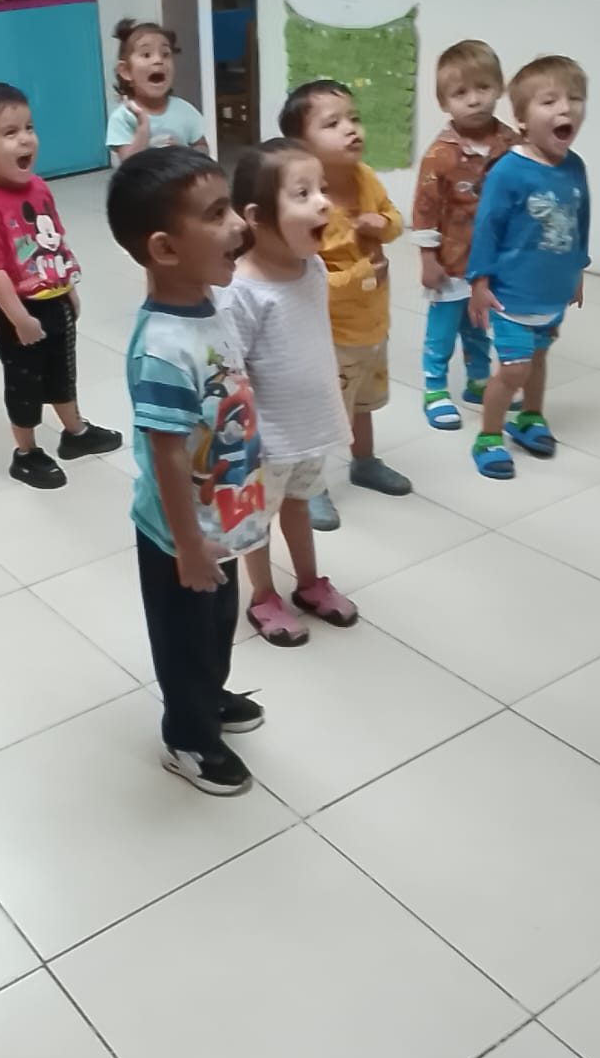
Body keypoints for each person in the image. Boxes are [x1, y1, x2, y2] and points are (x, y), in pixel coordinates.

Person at [107, 146, 268, 795]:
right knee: (184, 638)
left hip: (217, 520)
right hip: (179, 536)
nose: (238, 225)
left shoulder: (207, 306)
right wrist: (188, 545)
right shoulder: (162, 348)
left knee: (219, 622)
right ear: (165, 249)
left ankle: (210, 694)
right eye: (217, 214)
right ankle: (188, 738)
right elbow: (167, 454)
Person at [217, 139, 356, 646]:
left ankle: (309, 581)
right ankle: (262, 596)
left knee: (299, 501)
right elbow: (231, 372)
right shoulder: (241, 291)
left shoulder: (312, 267)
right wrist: (243, 441)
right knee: (256, 519)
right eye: (303, 193)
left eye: (322, 189)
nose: (323, 202)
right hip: (265, 440)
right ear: (256, 217)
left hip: (309, 425)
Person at [0, 80, 121, 488]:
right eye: (10, 132)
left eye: (29, 128)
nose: (25, 139)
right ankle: (26, 453)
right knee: (25, 386)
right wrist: (19, 319)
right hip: (20, 313)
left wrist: (69, 291)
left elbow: (54, 245)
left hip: (55, 302)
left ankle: (75, 432)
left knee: (63, 373)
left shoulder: (39, 188)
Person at [280, 78, 410, 531]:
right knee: (323, 413)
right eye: (332, 123)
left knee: (363, 403)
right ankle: (311, 485)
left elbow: (395, 219)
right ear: (302, 147)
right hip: (328, 335)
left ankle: (364, 462)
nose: (351, 129)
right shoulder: (308, 207)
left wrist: (383, 224)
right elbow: (307, 281)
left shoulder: (365, 177)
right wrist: (362, 275)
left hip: (372, 325)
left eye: (353, 118)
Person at [468, 55, 590, 480]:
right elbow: (486, 228)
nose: (565, 108)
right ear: (521, 119)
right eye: (549, 101)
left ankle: (530, 416)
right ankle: (488, 435)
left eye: (575, 99)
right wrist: (479, 281)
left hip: (550, 291)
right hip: (511, 295)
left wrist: (578, 271)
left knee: (538, 359)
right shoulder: (508, 171)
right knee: (514, 369)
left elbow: (579, 222)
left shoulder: (574, 167)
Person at [412, 40, 516, 430]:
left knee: (478, 323)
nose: (474, 100)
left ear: (499, 87)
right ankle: (435, 387)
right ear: (444, 102)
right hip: (451, 261)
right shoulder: (439, 154)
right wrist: (427, 259)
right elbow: (425, 208)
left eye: (483, 87)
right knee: (442, 328)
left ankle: (478, 380)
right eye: (460, 93)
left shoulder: (513, 145)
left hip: (493, 262)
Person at [106, 18, 208, 162]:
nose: (158, 60)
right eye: (146, 55)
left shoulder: (184, 110)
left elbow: (202, 147)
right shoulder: (123, 117)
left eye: (165, 54)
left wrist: (184, 152)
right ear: (126, 71)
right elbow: (129, 165)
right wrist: (143, 128)